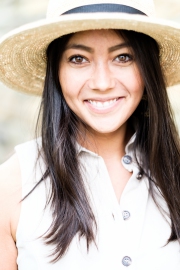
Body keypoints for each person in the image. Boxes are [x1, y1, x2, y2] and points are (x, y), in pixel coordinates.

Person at [0, 0, 180, 269]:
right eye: (78, 59)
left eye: (123, 57)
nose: (102, 83)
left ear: (147, 68)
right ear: (56, 72)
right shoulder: (11, 186)